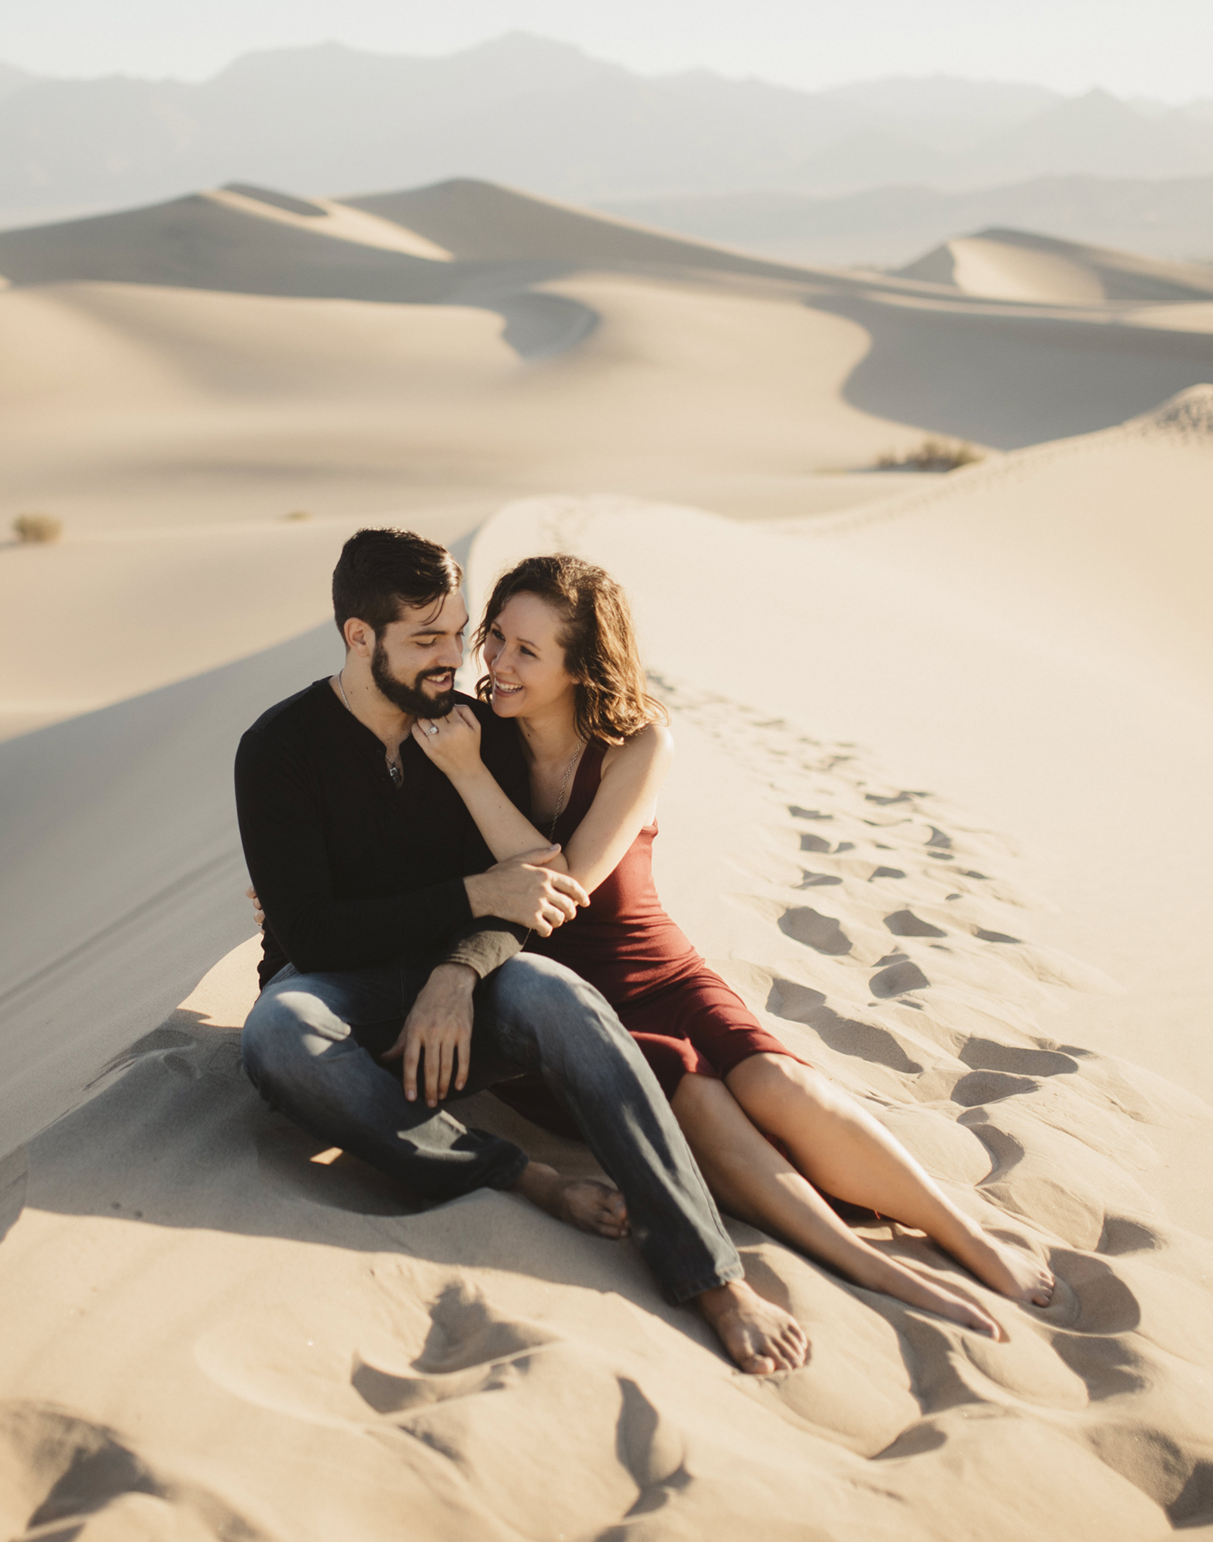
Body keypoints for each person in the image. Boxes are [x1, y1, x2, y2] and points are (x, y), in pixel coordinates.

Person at [412, 553, 1058, 1340]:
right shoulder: (473, 739)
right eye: (497, 638)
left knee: (778, 1083)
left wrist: (470, 779)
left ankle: (966, 1235)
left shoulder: (638, 739)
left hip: (663, 970)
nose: (498, 664)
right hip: (567, 1008)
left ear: (580, 667)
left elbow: (569, 886)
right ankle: (869, 1262)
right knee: (700, 1097)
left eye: (526, 651)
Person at [234, 528, 810, 1374]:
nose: (454, 659)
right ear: (360, 636)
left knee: (564, 999)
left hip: (467, 992)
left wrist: (458, 967)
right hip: (338, 994)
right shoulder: (279, 750)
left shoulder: (467, 730)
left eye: (458, 633)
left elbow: (532, 885)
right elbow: (314, 932)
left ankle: (711, 1272)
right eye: (426, 639)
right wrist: (469, 899)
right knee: (276, 1033)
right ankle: (520, 1176)